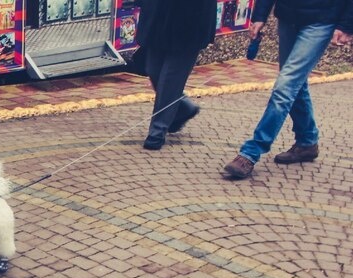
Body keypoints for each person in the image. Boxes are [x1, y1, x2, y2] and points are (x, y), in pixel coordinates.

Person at [223, 0, 353, 180]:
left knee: (285, 87)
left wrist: (347, 25)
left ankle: (250, 153)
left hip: (321, 21)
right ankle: (307, 142)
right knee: (294, 85)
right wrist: (260, 16)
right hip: (288, 17)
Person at [135, 0, 218, 150]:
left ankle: (157, 131)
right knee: (153, 70)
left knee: (171, 79)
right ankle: (184, 107)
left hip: (191, 19)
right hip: (158, 16)